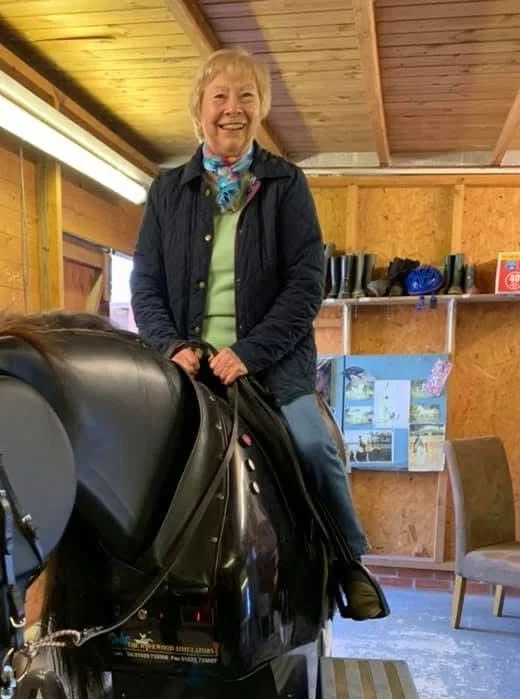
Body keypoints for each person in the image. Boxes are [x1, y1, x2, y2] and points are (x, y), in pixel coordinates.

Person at [130, 47, 388, 621]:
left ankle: (349, 562)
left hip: (271, 366)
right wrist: (171, 346)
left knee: (313, 446)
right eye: (220, 96)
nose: (233, 108)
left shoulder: (286, 183)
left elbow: (305, 284)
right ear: (198, 111)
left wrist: (249, 353)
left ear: (261, 108)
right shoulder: (167, 191)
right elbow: (143, 282)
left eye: (246, 96)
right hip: (186, 366)